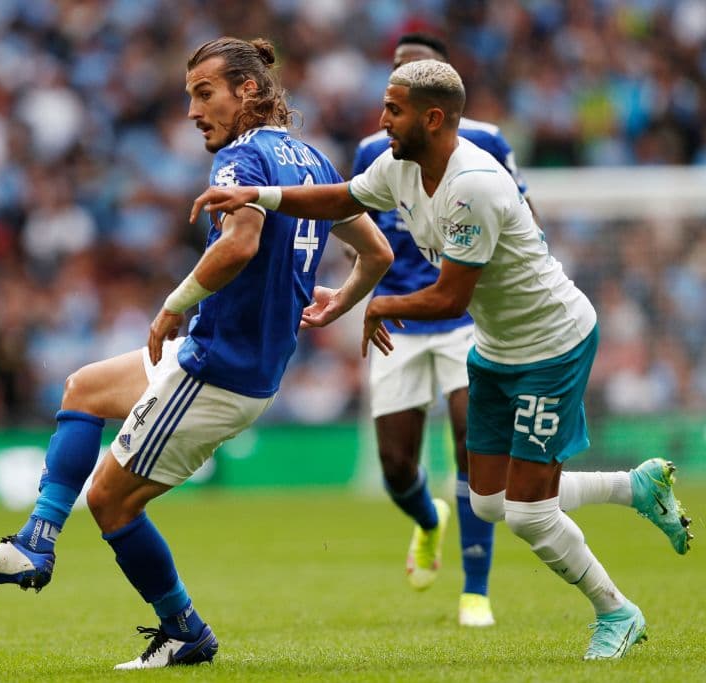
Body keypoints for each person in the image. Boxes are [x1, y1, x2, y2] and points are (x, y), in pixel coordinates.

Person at [190, 59, 692, 660]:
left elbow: (450, 297)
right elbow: (342, 198)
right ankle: (637, 487)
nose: (381, 120)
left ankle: (618, 612)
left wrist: (376, 306)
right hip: (497, 348)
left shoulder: (473, 185)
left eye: (393, 110)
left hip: (551, 346)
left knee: (530, 515)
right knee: (487, 501)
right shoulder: (400, 166)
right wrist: (259, 195)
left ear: (432, 118)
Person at [0, 36, 394, 669]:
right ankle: (35, 543)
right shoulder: (314, 160)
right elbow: (378, 253)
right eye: (189, 96)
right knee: (84, 388)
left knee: (109, 501)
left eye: (204, 93)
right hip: (230, 358)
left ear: (248, 91)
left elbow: (239, 243)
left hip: (217, 367)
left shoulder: (241, 158)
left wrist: (173, 302)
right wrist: (337, 304)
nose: (192, 110)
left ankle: (184, 630)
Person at [351, 33, 532, 627]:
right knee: (397, 467)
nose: (399, 83)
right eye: (396, 72)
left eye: (415, 71)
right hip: (400, 317)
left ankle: (474, 591)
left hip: (463, 318)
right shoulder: (372, 150)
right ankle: (429, 520)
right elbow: (357, 228)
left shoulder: (484, 142)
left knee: (468, 442)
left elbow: (518, 215)